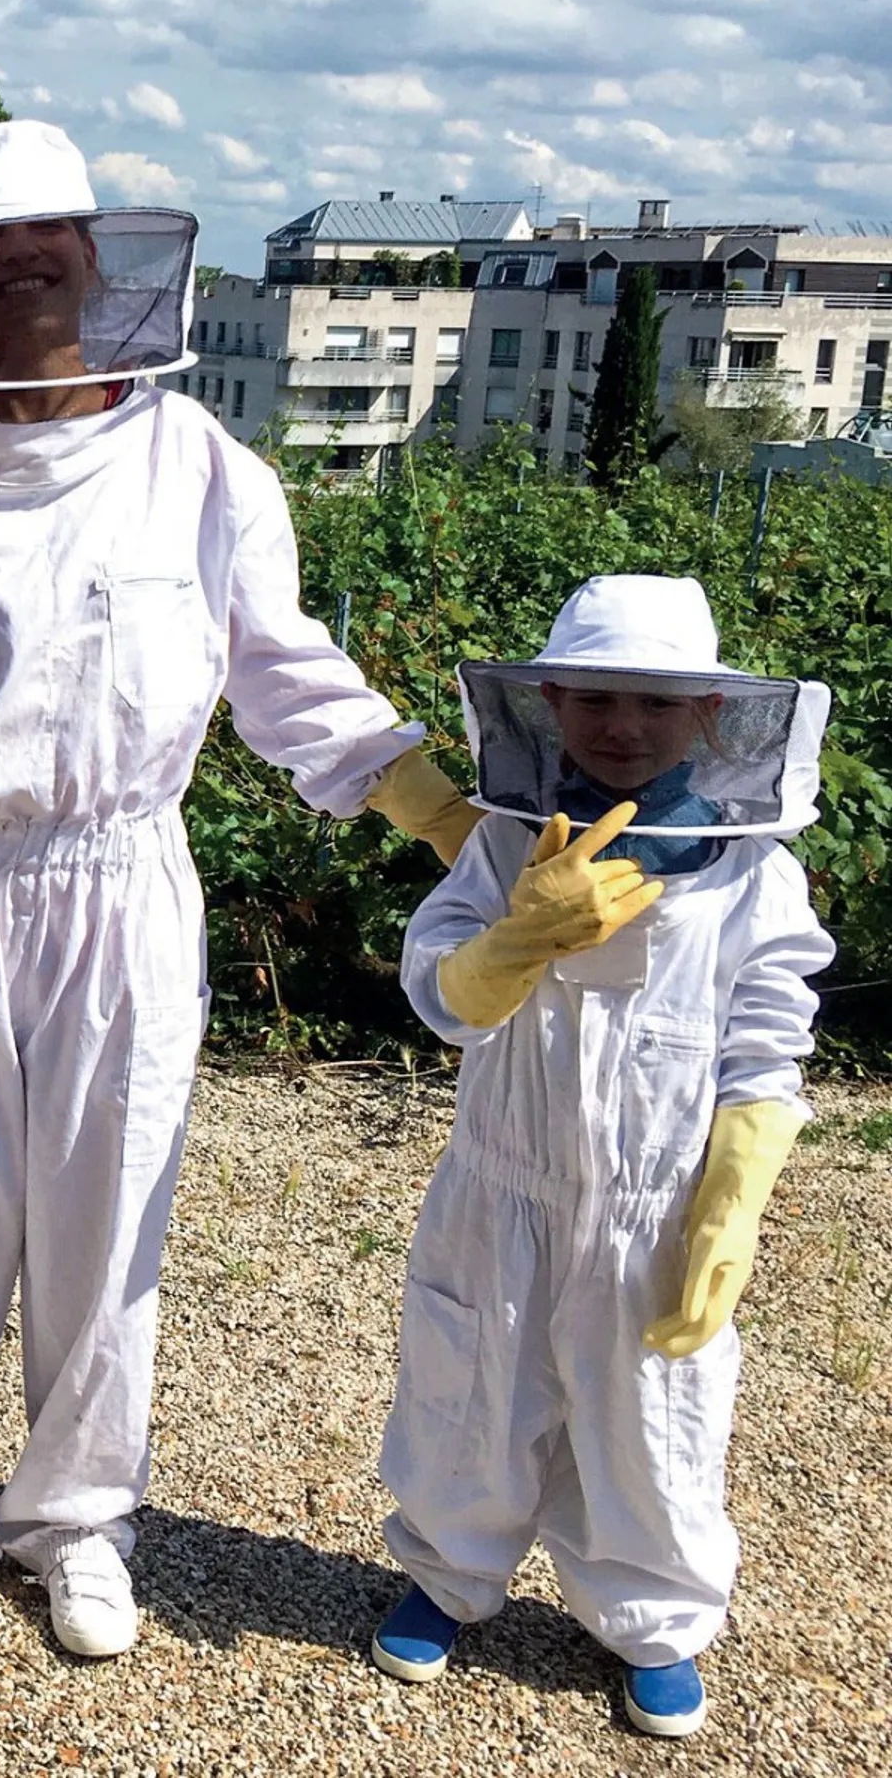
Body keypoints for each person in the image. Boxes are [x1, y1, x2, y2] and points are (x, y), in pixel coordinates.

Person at [0, 120, 483, 1657]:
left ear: (97, 254)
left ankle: (81, 1514)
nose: (20, 257)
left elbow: (289, 680)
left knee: (109, 1207)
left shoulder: (201, 466)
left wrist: (441, 811)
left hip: (119, 877)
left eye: (48, 233)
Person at [373, 574, 834, 1738]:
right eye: (595, 699)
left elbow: (771, 1032)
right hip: (502, 1183)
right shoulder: (509, 846)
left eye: (654, 703)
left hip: (655, 1202)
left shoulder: (752, 871)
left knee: (653, 1416)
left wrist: (733, 1193)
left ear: (712, 719)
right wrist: (513, 937)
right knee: (471, 1385)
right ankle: (448, 1569)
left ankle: (656, 1619)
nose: (621, 725)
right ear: (551, 705)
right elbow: (440, 992)